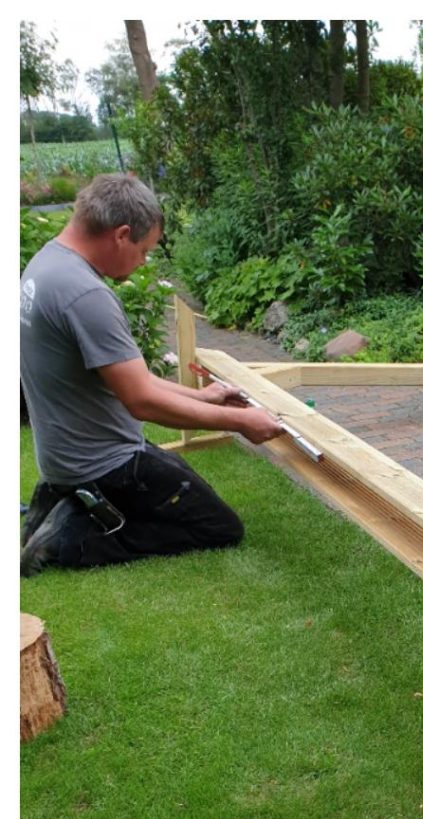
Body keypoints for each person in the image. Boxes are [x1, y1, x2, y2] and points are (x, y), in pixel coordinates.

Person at [20, 173, 285, 578]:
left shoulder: (48, 263)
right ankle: (68, 537)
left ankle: (67, 499)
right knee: (217, 526)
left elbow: (133, 379)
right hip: (103, 464)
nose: (144, 262)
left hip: (69, 457)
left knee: (186, 487)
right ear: (121, 235)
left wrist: (204, 397)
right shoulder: (85, 294)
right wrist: (241, 422)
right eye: (144, 251)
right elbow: (141, 401)